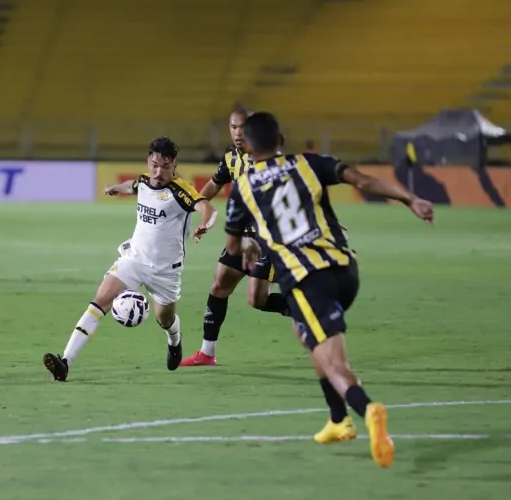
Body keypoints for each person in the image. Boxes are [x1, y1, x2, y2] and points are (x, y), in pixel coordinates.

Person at [224, 112, 434, 468]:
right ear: (281, 140)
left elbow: (233, 247)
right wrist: (410, 199)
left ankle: (368, 410)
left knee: (334, 361)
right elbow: (363, 180)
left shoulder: (243, 187)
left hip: (307, 280)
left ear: (249, 148)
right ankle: (338, 420)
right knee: (302, 330)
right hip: (345, 269)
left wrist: (248, 245)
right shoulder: (308, 163)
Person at [43, 137, 216, 381]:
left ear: (174, 165)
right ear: (148, 162)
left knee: (165, 319)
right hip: (134, 259)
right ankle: (65, 362)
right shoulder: (145, 181)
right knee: (101, 300)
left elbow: (208, 208)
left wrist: (204, 225)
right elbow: (132, 186)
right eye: (154, 165)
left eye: (165, 166)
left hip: (166, 271)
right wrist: (117, 187)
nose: (159, 172)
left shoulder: (180, 191)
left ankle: (174, 339)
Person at [180, 107, 289, 367]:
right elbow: (214, 184)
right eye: (233, 127)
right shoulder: (231, 157)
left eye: (242, 127)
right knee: (219, 285)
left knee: (257, 300)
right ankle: (207, 353)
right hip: (242, 236)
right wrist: (190, 205)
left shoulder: (269, 158)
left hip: (269, 238)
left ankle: (308, 305)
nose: (238, 132)